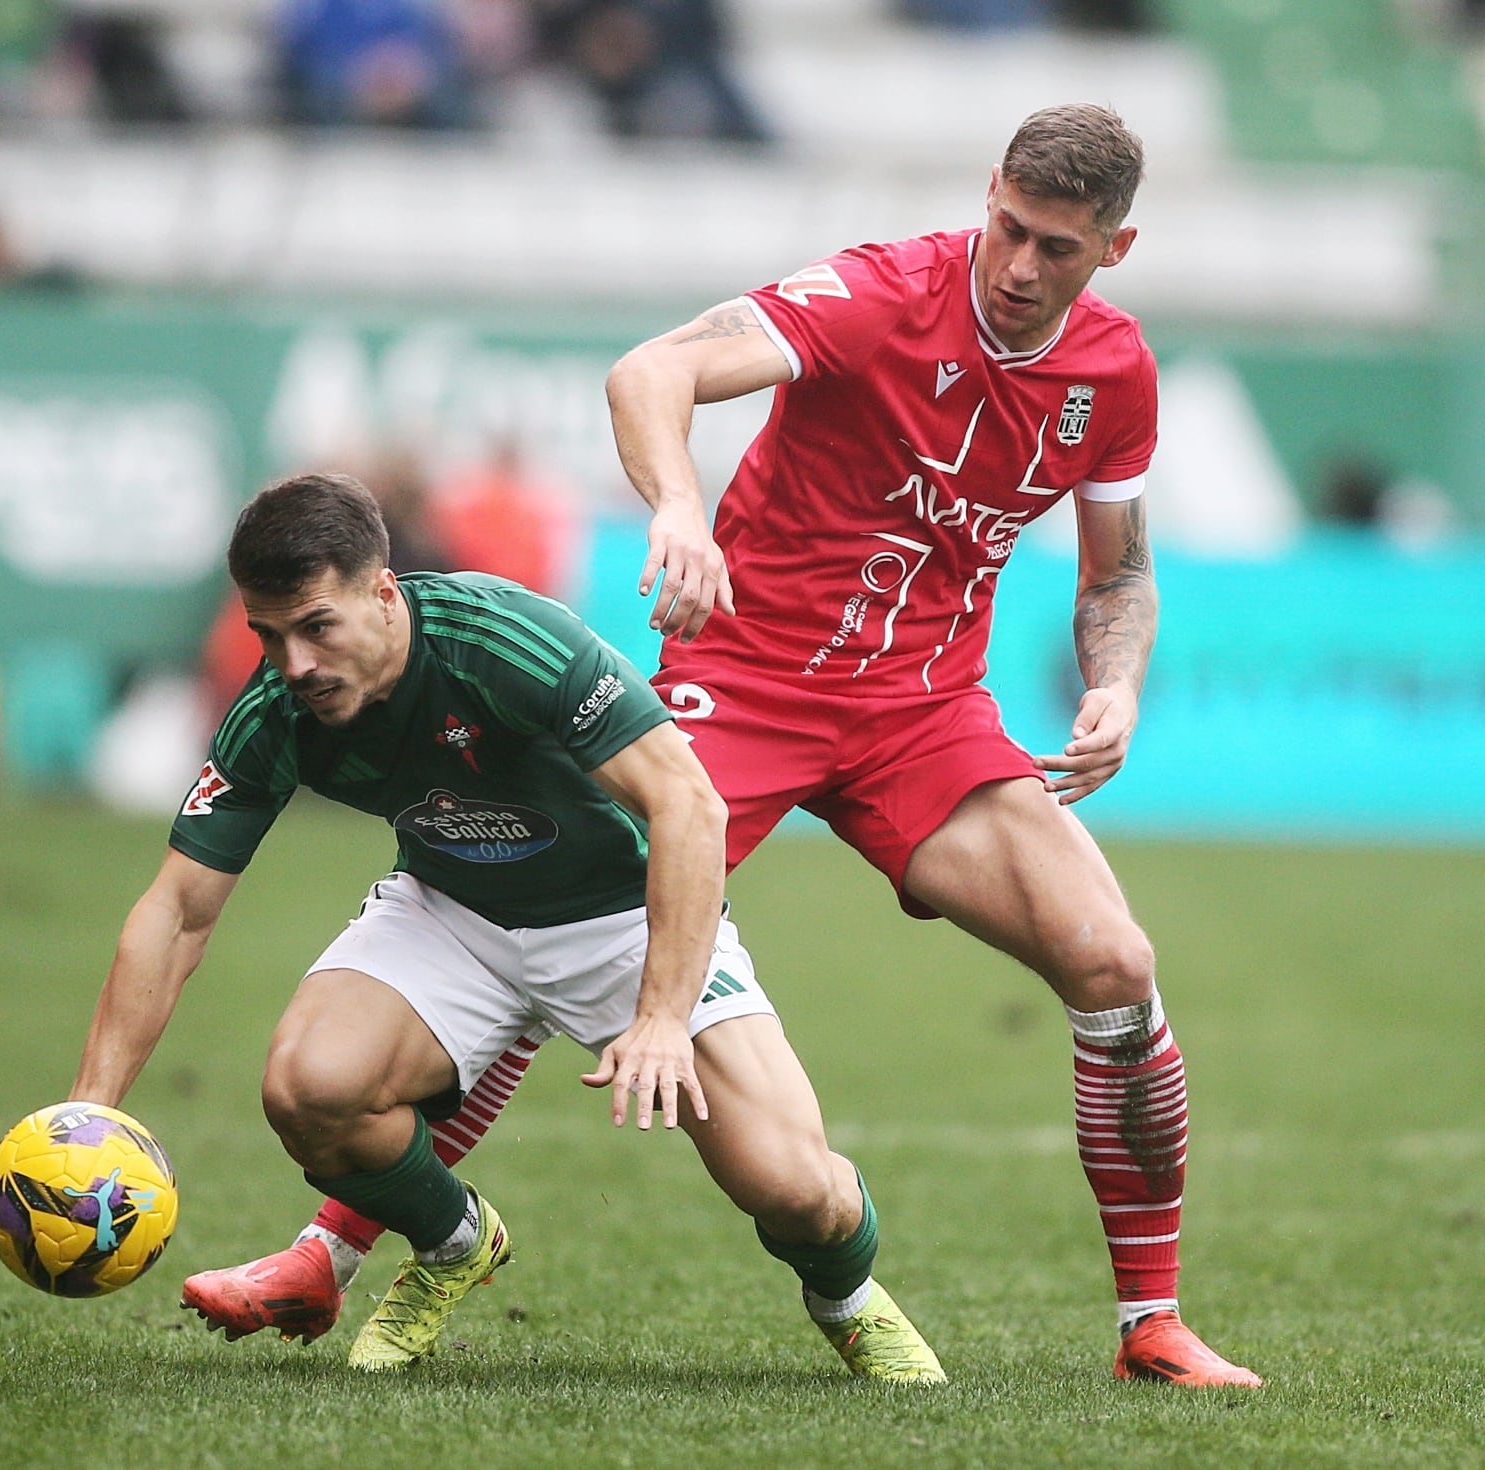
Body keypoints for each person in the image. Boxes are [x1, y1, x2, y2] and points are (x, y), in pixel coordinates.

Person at [189, 103, 1262, 1391]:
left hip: (921, 712)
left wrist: (1115, 684)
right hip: (739, 684)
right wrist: (682, 513)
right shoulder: (876, 293)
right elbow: (649, 372)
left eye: (1057, 249)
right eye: (1008, 229)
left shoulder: (1114, 375)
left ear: (1115, 248)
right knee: (557, 896)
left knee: (1113, 960)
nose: (1020, 267)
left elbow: (1117, 576)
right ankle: (329, 1248)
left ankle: (1149, 1324)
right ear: (987, 196)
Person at [92, 471, 943, 1379]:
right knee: (310, 1088)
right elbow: (178, 910)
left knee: (797, 1189)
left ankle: (846, 1299)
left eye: (316, 627)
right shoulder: (275, 711)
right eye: (270, 635)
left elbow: (689, 805)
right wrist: (88, 1118)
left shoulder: (502, 638)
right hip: (453, 909)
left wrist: (659, 1017)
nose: (294, 663)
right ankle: (455, 1243)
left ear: (383, 593)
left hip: (621, 917)